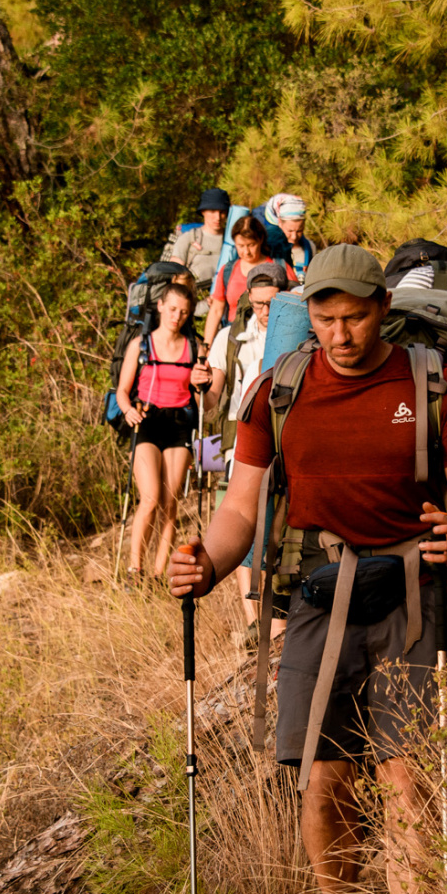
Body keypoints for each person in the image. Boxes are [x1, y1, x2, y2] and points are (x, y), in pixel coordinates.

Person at [170, 245, 447, 894]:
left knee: (408, 775)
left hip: (413, 591)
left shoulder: (437, 387)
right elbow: (239, 512)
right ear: (309, 315)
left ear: (382, 309)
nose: (341, 334)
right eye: (325, 319)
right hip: (316, 597)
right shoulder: (276, 392)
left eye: (354, 317)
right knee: (323, 776)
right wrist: (205, 565)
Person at [193, 264, 288, 629]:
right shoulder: (228, 338)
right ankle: (254, 624)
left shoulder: (298, 331)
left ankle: (272, 622)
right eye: (258, 303)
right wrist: (199, 388)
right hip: (230, 444)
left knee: (273, 534)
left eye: (271, 303)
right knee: (234, 527)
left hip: (279, 442)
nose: (265, 311)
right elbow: (212, 404)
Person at [116, 284, 200, 578]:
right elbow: (122, 391)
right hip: (147, 422)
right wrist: (128, 410)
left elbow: (199, 394)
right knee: (150, 498)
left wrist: (204, 383)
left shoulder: (193, 347)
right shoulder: (140, 345)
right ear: (161, 306)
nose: (177, 316)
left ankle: (156, 574)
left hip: (179, 426)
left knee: (170, 503)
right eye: (173, 308)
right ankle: (134, 569)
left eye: (184, 312)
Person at [204, 214, 295, 346]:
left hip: (272, 339)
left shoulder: (281, 268)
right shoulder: (228, 270)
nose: (246, 251)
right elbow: (216, 309)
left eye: (251, 245)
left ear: (261, 240)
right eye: (240, 246)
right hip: (234, 339)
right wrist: (207, 344)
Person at [166, 188, 232, 304]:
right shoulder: (188, 238)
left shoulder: (233, 240)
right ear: (203, 211)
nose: (217, 217)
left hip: (224, 306)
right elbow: (175, 280)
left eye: (222, 212)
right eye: (212, 211)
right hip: (191, 308)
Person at [262, 192, 317, 278]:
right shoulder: (270, 250)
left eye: (299, 231)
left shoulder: (310, 248)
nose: (294, 237)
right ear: (279, 223)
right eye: (290, 231)